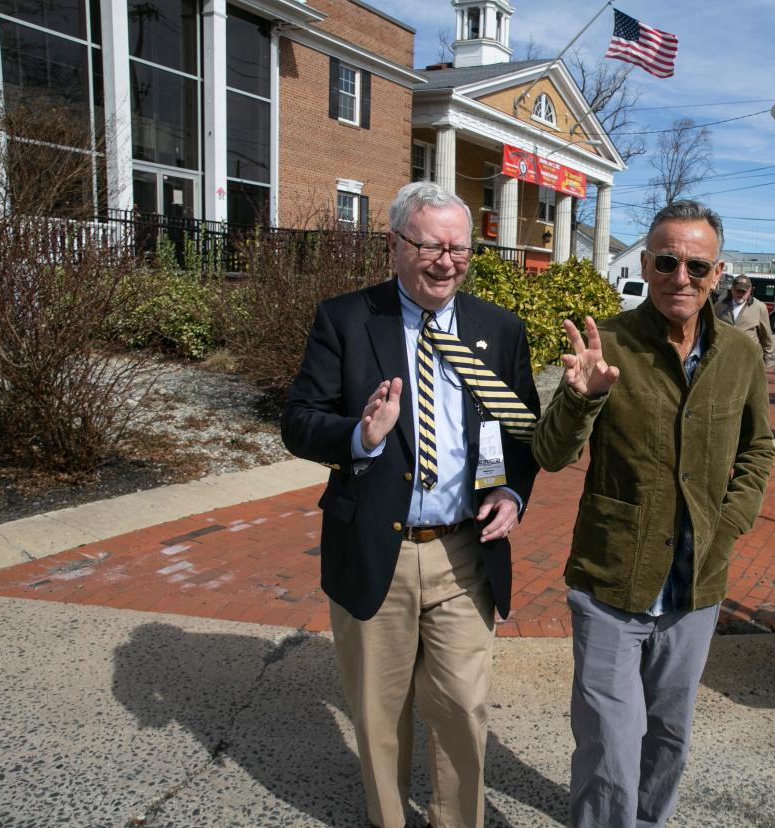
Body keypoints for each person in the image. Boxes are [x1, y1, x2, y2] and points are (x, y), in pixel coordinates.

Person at [280, 181, 540, 828]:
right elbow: (298, 421)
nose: (445, 261)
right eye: (430, 246)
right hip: (376, 547)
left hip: (464, 549)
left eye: (459, 248)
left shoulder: (498, 331)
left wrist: (512, 491)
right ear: (396, 244)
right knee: (379, 711)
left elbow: (522, 431)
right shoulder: (345, 319)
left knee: (461, 707)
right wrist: (360, 437)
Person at [533, 200, 775, 827]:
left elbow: (757, 449)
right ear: (646, 263)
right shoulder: (606, 344)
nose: (681, 277)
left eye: (697, 265)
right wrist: (581, 399)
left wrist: (731, 522)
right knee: (610, 746)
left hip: (696, 587)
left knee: (669, 736)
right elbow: (551, 454)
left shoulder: (741, 357)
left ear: (718, 273)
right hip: (614, 578)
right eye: (667, 261)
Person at [714, 274, 773, 360]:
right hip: (724, 358)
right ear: (732, 289)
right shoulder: (719, 306)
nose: (741, 294)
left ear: (750, 291)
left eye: (744, 292)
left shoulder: (759, 307)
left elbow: (766, 337)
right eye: (738, 291)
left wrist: (766, 360)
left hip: (749, 359)